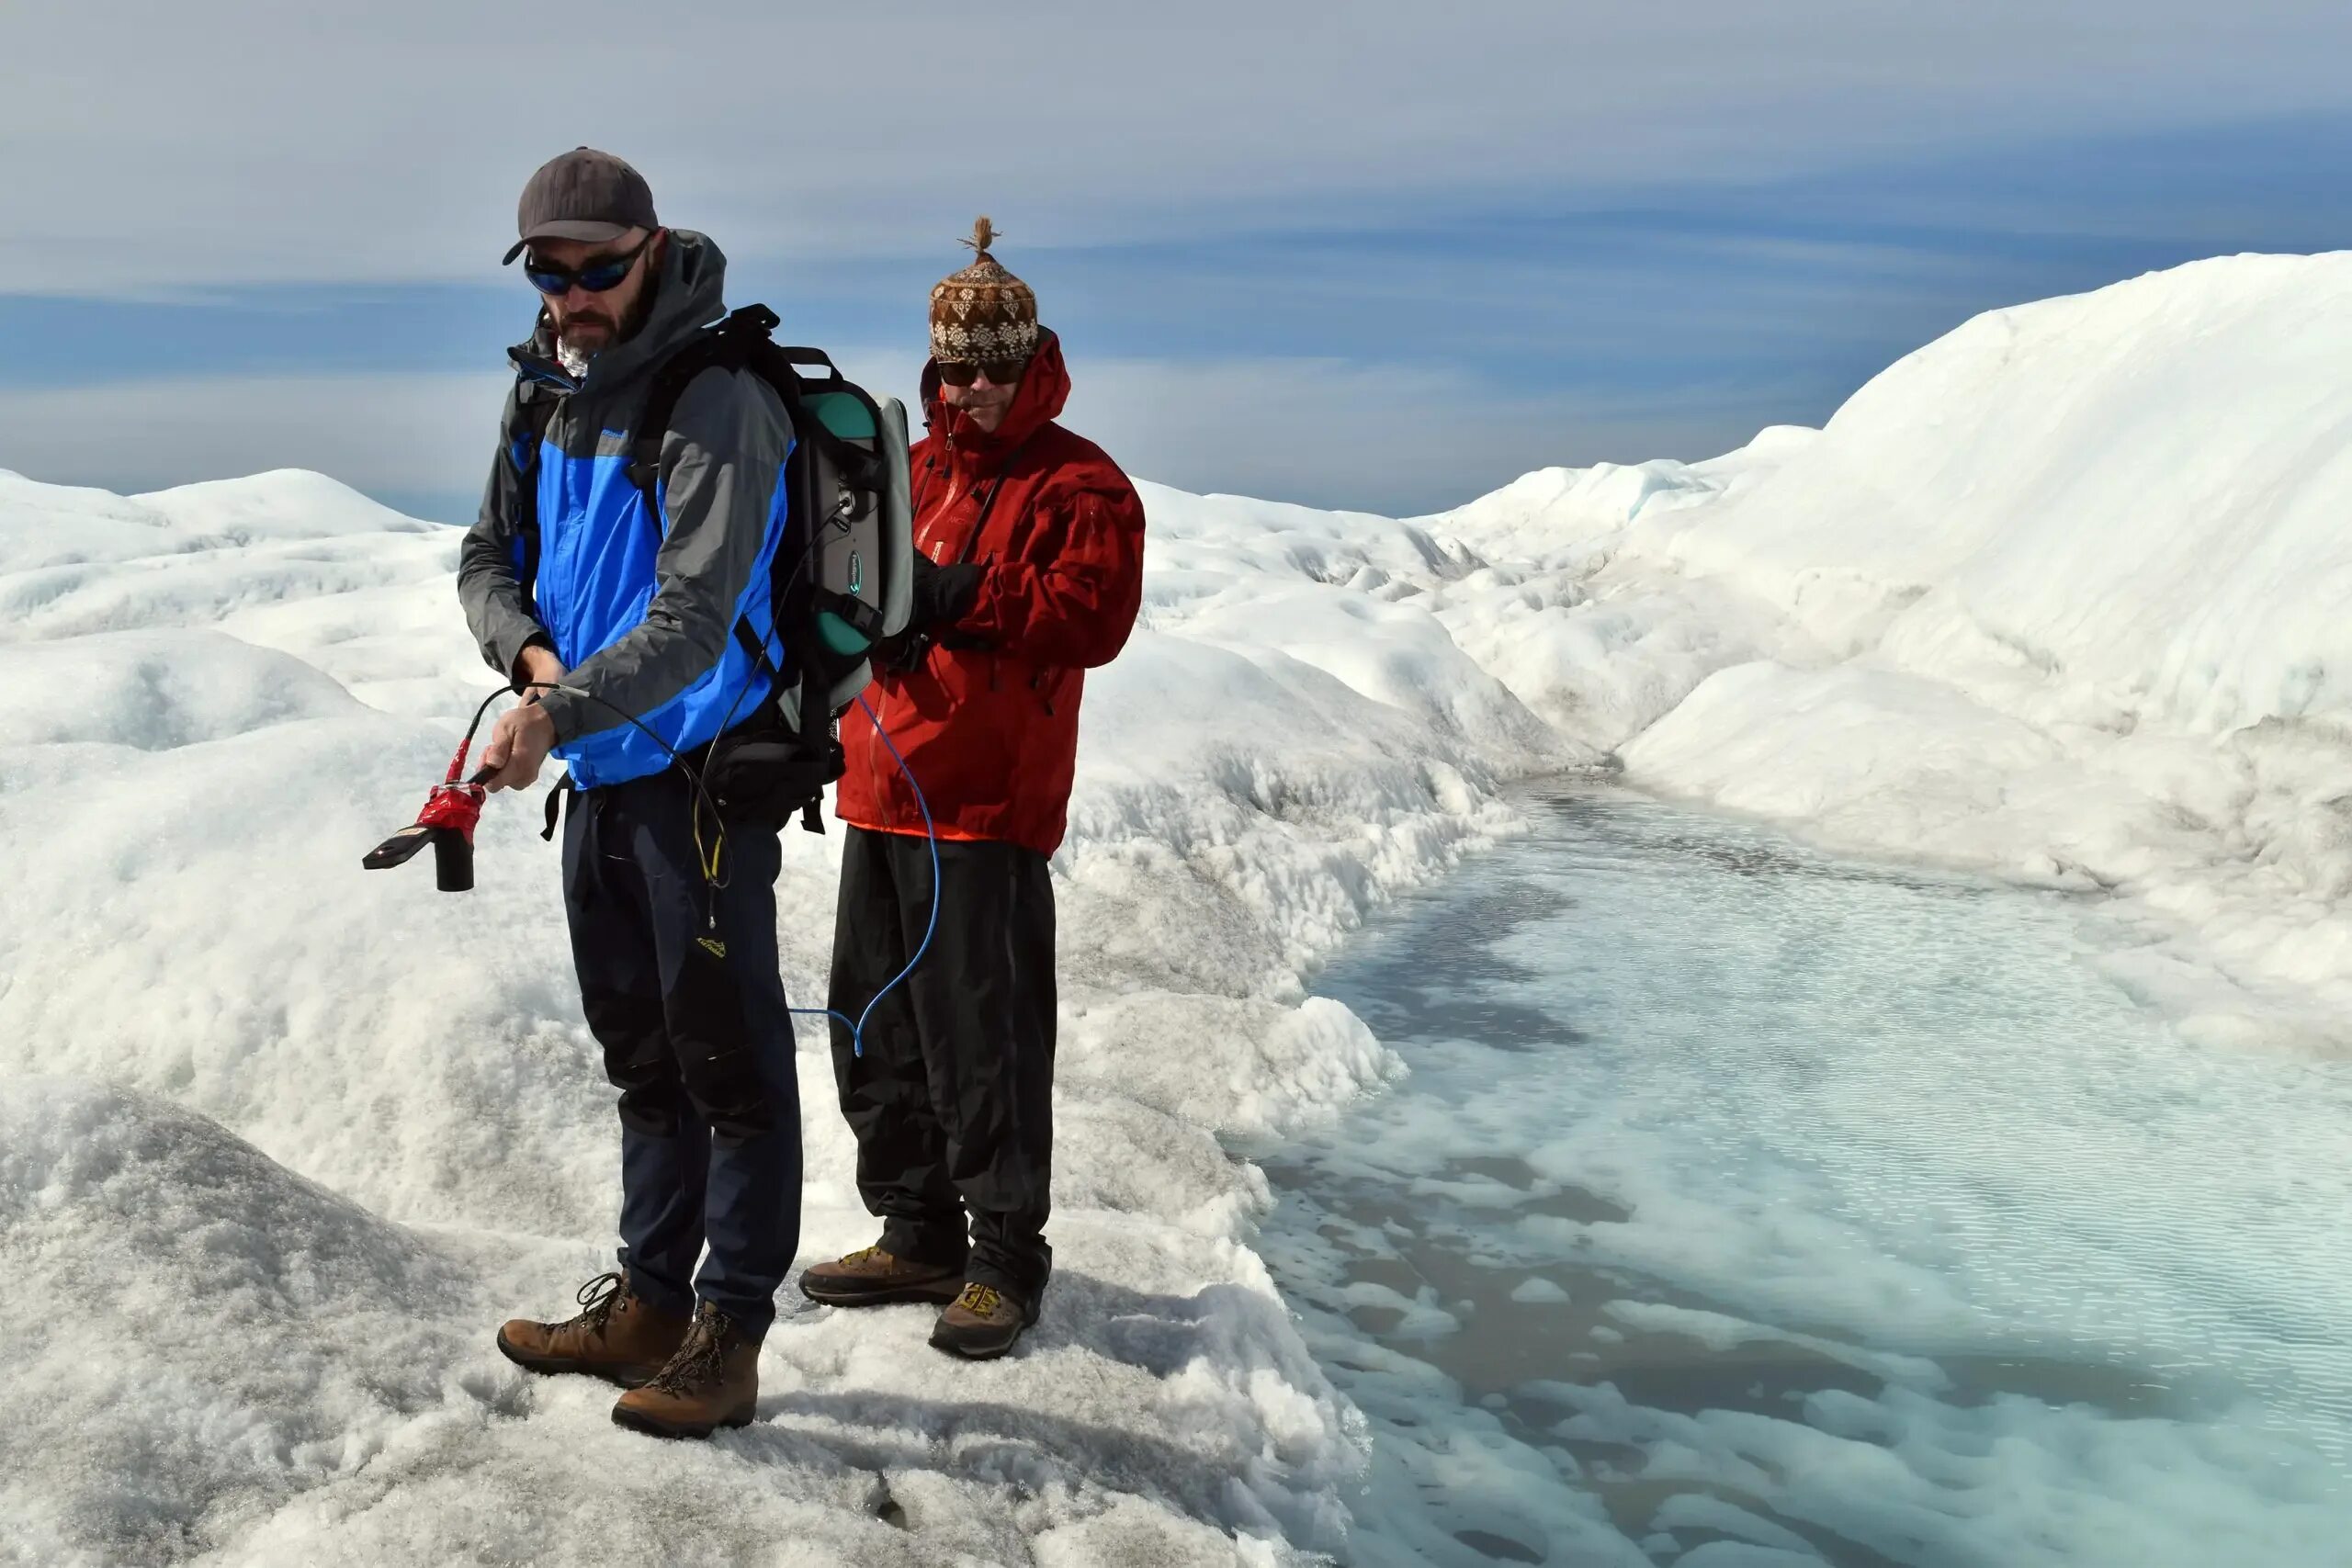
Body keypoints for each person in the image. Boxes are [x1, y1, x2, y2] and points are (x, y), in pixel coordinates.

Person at [456, 147, 802, 1438]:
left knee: (731, 1066)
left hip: (698, 781)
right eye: (554, 270)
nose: (577, 293)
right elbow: (489, 555)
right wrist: (528, 655)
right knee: (643, 1059)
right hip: (597, 770)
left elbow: (697, 618)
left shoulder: (718, 396)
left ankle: (731, 1332)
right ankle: (652, 1301)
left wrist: (555, 708)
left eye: (601, 267)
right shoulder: (546, 390)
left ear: (651, 249)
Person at [799, 219, 1146, 1359]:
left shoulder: (1081, 481)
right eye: (960, 366)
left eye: (1000, 363)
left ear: (1033, 353)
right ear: (936, 367)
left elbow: (1092, 618)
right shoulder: (906, 466)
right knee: (875, 1024)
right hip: (881, 781)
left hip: (985, 809)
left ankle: (1004, 1257)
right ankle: (916, 1231)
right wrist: (873, 630)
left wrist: (957, 602)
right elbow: (859, 575)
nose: (981, 386)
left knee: (980, 1039)